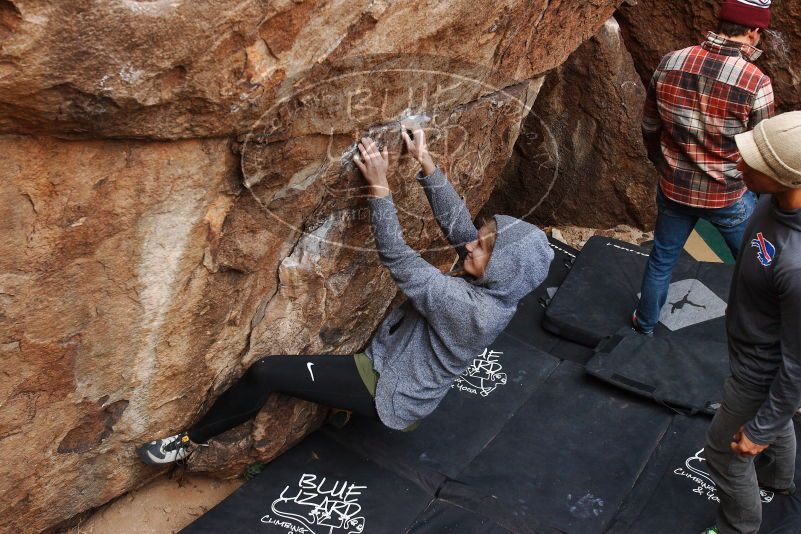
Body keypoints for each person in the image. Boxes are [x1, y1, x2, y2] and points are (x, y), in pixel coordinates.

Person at [137, 126, 554, 464]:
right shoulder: (498, 283)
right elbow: (460, 227)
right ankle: (339, 404)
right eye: (480, 240)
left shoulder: (475, 311)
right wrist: (426, 163)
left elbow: (398, 257)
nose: (470, 247)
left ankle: (188, 442)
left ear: (501, 271)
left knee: (266, 373)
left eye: (482, 249)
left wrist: (379, 185)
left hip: (387, 388)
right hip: (401, 365)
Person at [632, 0, 775, 335]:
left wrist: (663, 165)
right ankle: (766, 331)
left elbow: (650, 127)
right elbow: (760, 152)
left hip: (674, 187)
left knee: (662, 258)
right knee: (757, 264)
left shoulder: (671, 61)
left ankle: (644, 325)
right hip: (727, 196)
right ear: (754, 31)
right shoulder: (756, 82)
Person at [701, 111, 801, 534]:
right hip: (750, 341)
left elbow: (797, 368)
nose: (738, 163)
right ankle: (778, 479)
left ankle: (737, 529)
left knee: (724, 455)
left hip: (761, 370)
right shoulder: (774, 199)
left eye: (752, 160)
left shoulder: (796, 267)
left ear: (784, 177)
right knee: (771, 423)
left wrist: (759, 431)